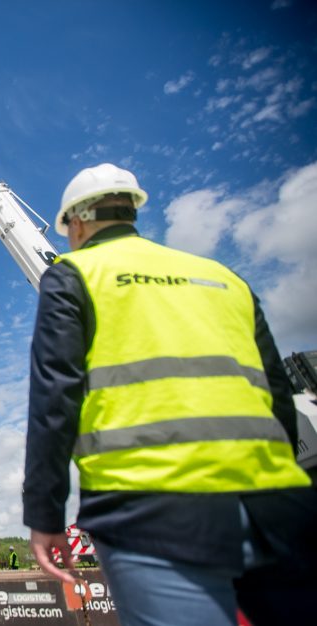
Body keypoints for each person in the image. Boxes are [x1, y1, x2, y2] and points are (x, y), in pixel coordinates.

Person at [22, 163, 317, 626]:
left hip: (151, 511)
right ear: (131, 212)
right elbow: (278, 394)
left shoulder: (74, 274)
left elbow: (54, 403)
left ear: (76, 223)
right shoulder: (222, 276)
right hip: (277, 506)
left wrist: (45, 515)